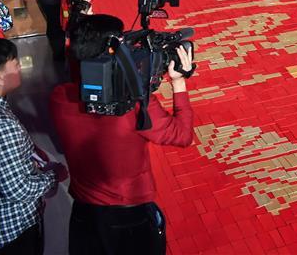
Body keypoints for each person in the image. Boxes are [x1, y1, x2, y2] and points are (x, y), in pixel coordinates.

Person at [50, 15, 193, 255]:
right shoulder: (133, 104)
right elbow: (182, 135)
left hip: (83, 214)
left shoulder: (58, 97)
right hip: (129, 218)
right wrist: (179, 82)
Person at [0, 37, 61, 254]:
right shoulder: (0, 125)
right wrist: (53, 176)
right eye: (15, 64)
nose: (20, 67)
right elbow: (18, 190)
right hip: (11, 230)